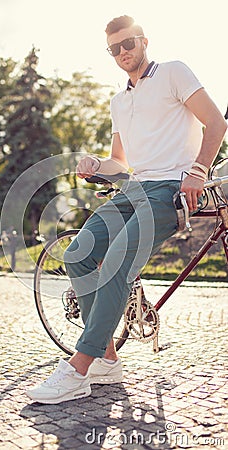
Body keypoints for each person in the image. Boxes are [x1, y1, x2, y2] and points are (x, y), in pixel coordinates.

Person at [27, 15, 227, 404]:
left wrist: (199, 170)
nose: (122, 53)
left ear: (143, 41)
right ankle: (106, 359)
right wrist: (95, 164)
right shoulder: (120, 101)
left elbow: (216, 123)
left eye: (128, 44)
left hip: (172, 189)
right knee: (79, 254)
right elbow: (120, 163)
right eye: (114, 48)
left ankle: (77, 368)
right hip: (134, 188)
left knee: (118, 262)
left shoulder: (173, 72)